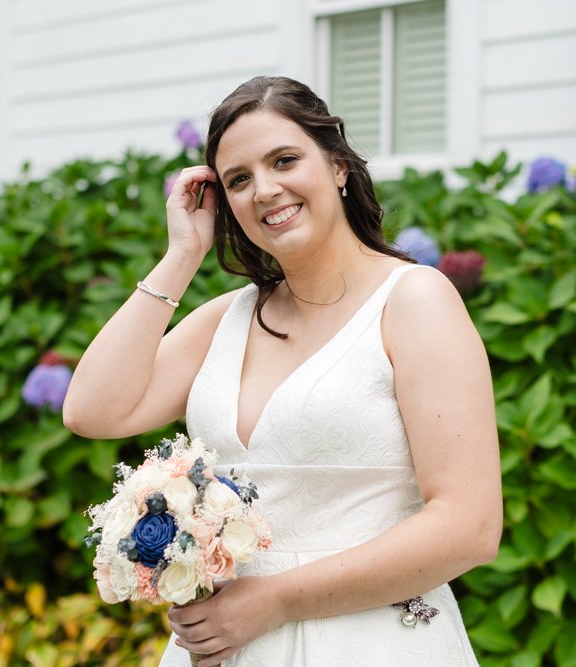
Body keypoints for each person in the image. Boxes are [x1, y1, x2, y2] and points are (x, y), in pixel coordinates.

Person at [63, 75, 502, 666]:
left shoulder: (414, 301)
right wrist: (180, 256)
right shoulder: (230, 317)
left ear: (339, 166)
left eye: (285, 160)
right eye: (238, 180)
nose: (264, 190)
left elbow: (469, 524)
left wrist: (274, 601)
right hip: (229, 648)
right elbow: (92, 410)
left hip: (368, 643)